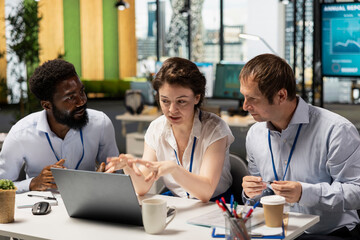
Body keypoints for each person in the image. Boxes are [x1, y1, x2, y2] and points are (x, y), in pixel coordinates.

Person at [240, 54, 360, 239]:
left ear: (281, 95)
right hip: (275, 231)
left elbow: (356, 191)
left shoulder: (336, 130)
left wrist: (305, 193)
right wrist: (250, 193)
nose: (245, 106)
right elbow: (261, 194)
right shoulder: (255, 134)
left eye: (252, 99)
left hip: (328, 233)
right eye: (244, 97)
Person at [106, 57, 234, 203]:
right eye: (165, 101)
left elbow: (205, 192)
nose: (172, 110)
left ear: (197, 98)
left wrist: (174, 169)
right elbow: (141, 188)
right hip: (179, 202)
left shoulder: (215, 129)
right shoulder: (156, 129)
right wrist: (129, 168)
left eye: (181, 101)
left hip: (216, 204)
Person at [0, 59, 119, 193]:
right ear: (47, 105)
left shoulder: (101, 123)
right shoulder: (20, 134)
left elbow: (117, 175)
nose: (81, 101)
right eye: (70, 98)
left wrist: (107, 176)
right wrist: (32, 183)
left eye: (81, 91)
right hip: (41, 210)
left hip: (89, 206)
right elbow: (2, 184)